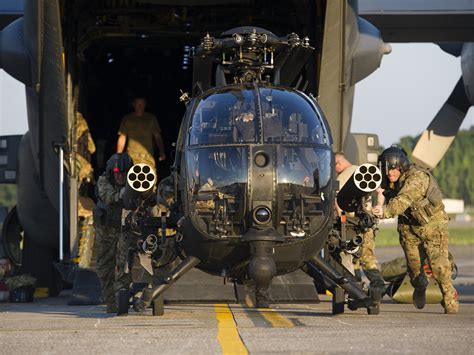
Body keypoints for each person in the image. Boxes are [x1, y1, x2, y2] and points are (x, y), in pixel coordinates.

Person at [372, 146, 458, 314]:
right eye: (387, 170)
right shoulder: (391, 179)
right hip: (409, 229)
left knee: (439, 266)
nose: (390, 174)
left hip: (433, 226)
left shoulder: (417, 178)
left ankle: (449, 298)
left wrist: (384, 212)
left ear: (401, 165)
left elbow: (403, 201)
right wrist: (379, 199)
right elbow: (383, 190)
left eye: (393, 170)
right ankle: (420, 287)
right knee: (414, 270)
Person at [334, 152, 386, 299]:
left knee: (354, 257)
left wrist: (340, 216)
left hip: (351, 224)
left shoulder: (344, 176)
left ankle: (365, 288)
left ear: (338, 163)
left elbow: (336, 199)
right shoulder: (363, 172)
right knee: (366, 255)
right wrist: (379, 205)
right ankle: (368, 289)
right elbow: (381, 191)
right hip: (367, 222)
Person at [94, 153, 133, 313]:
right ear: (112, 172)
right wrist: (124, 193)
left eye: (124, 173)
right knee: (104, 266)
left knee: (124, 263)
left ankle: (121, 299)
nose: (120, 176)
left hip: (126, 228)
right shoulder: (103, 181)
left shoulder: (135, 181)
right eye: (117, 172)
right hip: (106, 228)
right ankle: (111, 302)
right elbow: (109, 197)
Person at [116, 96, 166, 170]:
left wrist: (162, 151)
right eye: (138, 103)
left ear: (145, 104)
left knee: (150, 179)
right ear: (133, 104)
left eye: (142, 103)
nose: (140, 106)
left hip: (148, 157)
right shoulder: (127, 119)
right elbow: (122, 137)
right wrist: (118, 155)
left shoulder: (151, 118)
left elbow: (157, 136)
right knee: (132, 179)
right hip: (132, 157)